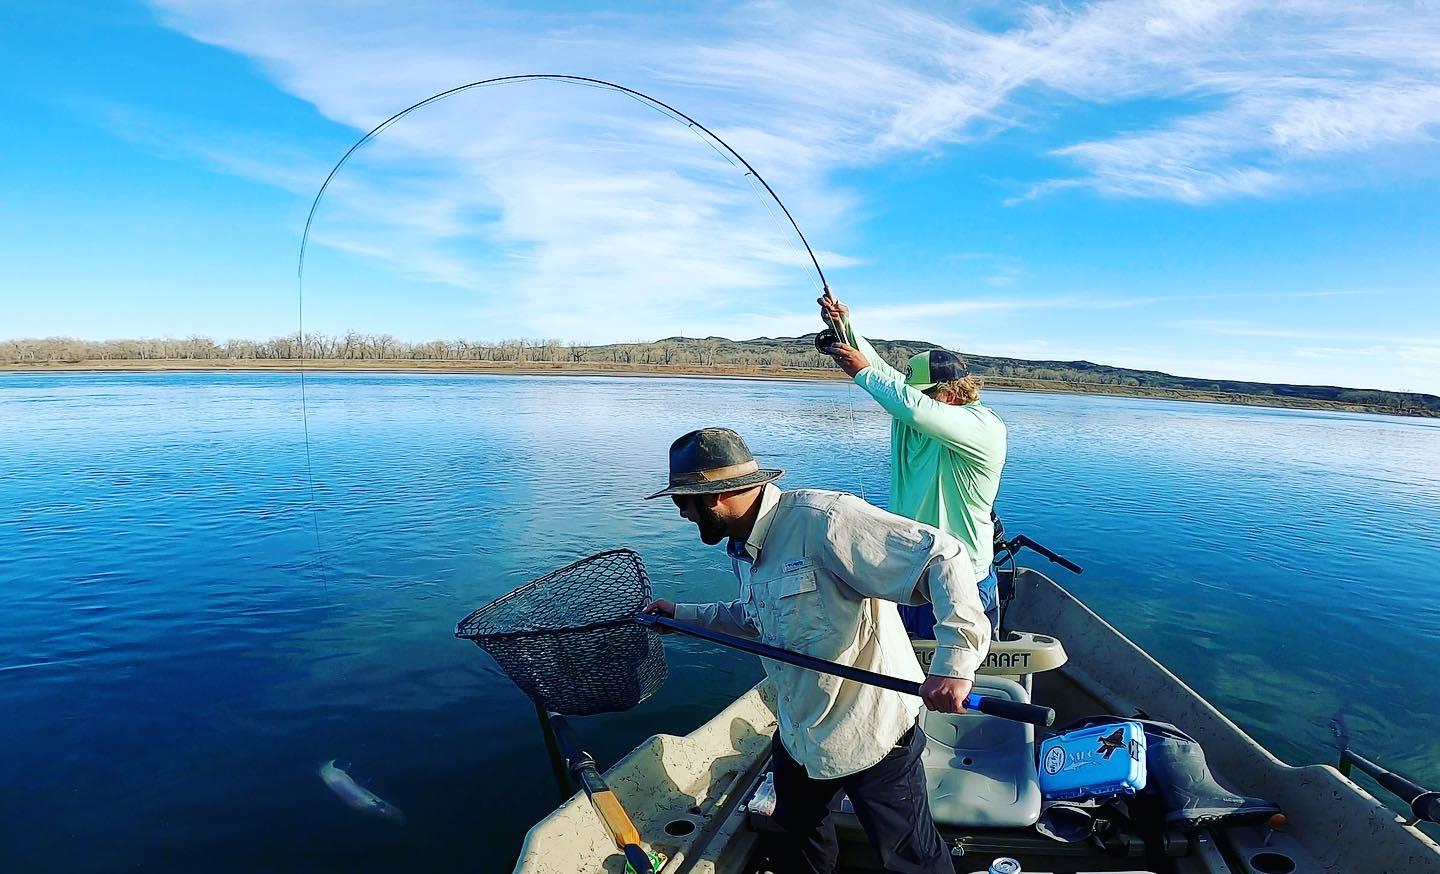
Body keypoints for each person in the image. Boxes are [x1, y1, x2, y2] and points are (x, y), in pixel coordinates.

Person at [643, 427, 990, 874]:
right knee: (797, 840)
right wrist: (681, 614)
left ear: (711, 498)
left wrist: (955, 665)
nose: (682, 514)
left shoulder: (824, 519)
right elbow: (757, 617)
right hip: (801, 731)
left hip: (874, 731)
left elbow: (944, 556)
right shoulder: (744, 545)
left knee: (911, 859)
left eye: (681, 502)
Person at [817, 291, 1007, 638]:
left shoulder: (984, 427)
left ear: (948, 396)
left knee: (962, 679)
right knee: (906, 670)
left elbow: (912, 404)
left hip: (962, 578)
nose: (908, 395)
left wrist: (864, 375)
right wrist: (843, 325)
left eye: (919, 391)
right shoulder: (915, 407)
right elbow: (885, 377)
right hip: (908, 570)